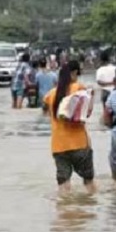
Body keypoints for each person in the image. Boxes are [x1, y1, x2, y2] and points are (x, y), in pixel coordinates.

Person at [43, 60, 96, 195]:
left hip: (58, 146)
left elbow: (46, 113)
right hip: (79, 144)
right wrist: (92, 98)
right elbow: (87, 114)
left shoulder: (50, 94)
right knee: (88, 182)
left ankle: (65, 212)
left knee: (63, 185)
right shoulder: (79, 88)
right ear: (73, 73)